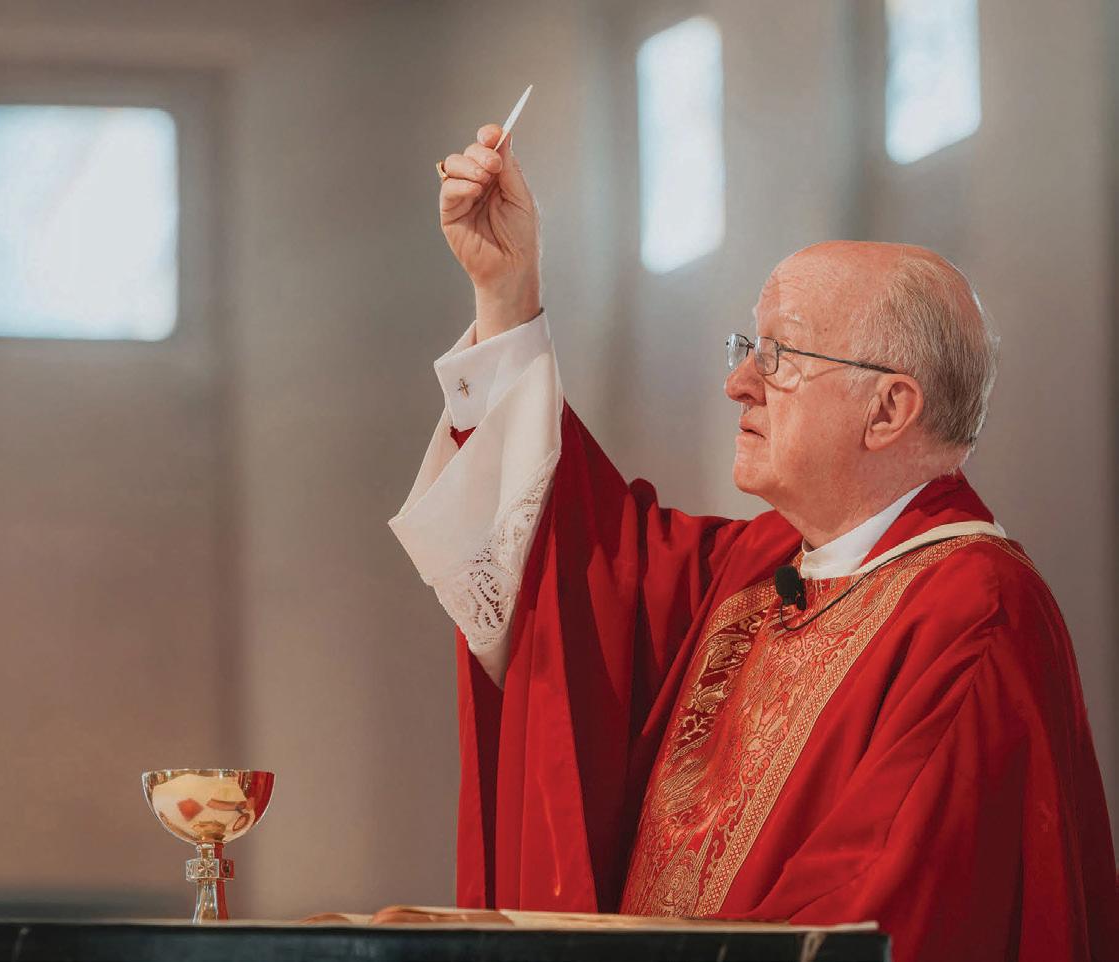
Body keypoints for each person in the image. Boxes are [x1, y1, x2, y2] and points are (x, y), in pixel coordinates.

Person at [372, 121, 1119, 960]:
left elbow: (883, 912)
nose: (737, 384)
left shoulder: (975, 612)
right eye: (746, 349)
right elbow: (570, 561)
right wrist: (507, 296)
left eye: (777, 356)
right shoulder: (756, 569)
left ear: (888, 410)